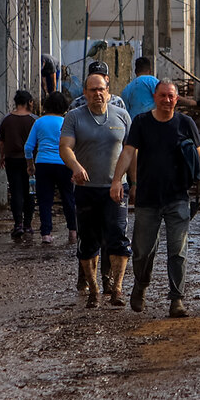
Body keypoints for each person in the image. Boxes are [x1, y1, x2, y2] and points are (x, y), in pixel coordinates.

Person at [113, 80, 200, 317]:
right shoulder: (141, 122)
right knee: (142, 251)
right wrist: (118, 180)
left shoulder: (185, 124)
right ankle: (140, 286)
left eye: (171, 96)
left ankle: (177, 299)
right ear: (155, 97)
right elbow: (128, 152)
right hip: (148, 199)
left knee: (177, 251)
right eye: (162, 96)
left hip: (178, 198)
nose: (167, 100)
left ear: (176, 99)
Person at [59, 72, 132, 306]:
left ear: (108, 91)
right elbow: (65, 147)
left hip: (116, 188)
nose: (97, 94)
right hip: (86, 188)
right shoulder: (74, 117)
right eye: (92, 90)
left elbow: (132, 153)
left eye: (101, 89)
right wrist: (76, 166)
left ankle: (117, 289)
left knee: (118, 238)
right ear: (85, 93)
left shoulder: (122, 116)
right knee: (88, 240)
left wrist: (134, 182)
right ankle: (93, 289)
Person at [25, 92, 76, 245]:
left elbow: (28, 147)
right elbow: (75, 145)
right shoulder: (66, 122)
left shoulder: (39, 122)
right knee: (68, 198)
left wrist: (30, 165)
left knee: (45, 200)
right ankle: (73, 231)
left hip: (43, 164)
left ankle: (46, 234)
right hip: (64, 163)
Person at [0, 89, 37, 238]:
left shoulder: (6, 120)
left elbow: (1, 141)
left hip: (12, 160)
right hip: (30, 162)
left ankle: (18, 224)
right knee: (30, 192)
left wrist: (2, 156)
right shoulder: (34, 120)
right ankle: (28, 225)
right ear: (29, 103)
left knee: (16, 192)